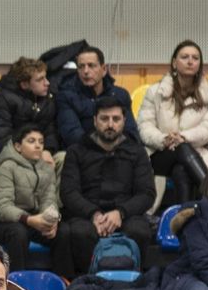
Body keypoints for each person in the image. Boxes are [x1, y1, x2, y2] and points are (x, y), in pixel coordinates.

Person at [55, 97, 154, 278]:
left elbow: (146, 193)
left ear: (124, 121)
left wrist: (120, 213)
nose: (110, 124)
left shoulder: (137, 152)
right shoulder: (76, 151)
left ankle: (134, 282)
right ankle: (84, 282)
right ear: (95, 120)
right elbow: (68, 192)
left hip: (126, 214)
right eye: (104, 118)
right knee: (78, 232)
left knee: (139, 231)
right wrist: (94, 214)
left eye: (116, 119)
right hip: (87, 214)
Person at [138, 40, 208, 208]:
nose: (190, 61)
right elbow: (144, 126)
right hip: (159, 153)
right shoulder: (155, 92)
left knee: (181, 171)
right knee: (181, 149)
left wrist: (183, 137)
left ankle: (185, 218)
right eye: (185, 57)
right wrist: (164, 139)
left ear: (200, 64)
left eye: (195, 58)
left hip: (193, 153)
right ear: (174, 62)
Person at [0, 126, 63, 273]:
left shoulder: (46, 169)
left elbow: (49, 200)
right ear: (18, 146)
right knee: (18, 232)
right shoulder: (6, 167)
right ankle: (15, 281)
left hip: (32, 221)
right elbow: (3, 208)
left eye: (41, 142)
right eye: (31, 141)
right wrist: (30, 219)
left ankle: (62, 279)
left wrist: (51, 221)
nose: (38, 145)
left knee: (64, 231)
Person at [55, 45, 139, 150]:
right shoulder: (66, 96)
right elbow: (72, 134)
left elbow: (131, 132)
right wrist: (102, 149)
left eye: (91, 66)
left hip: (118, 151)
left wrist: (113, 149)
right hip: (81, 152)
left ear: (103, 70)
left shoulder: (120, 95)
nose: (86, 71)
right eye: (81, 67)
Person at [0, 57, 58, 168]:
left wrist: (48, 151)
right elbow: (2, 139)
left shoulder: (47, 99)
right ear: (24, 84)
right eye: (40, 80)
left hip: (38, 154)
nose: (47, 83)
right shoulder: (1, 100)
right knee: (21, 173)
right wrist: (32, 156)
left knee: (63, 159)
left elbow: (50, 131)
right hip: (6, 158)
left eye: (46, 77)